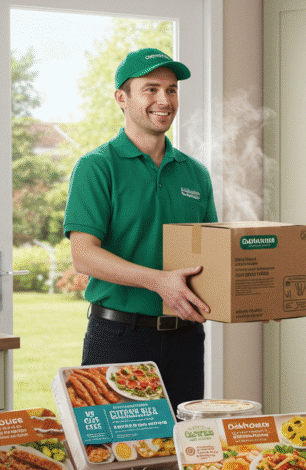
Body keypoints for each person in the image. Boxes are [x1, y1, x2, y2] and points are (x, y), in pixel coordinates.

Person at [63, 48, 217, 404]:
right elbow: (84, 255)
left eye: (172, 89)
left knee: (183, 449)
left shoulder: (195, 173)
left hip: (185, 340)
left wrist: (248, 294)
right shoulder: (97, 167)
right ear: (122, 97)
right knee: (114, 453)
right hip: (119, 336)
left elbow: (213, 254)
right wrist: (158, 281)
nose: (164, 100)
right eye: (151, 89)